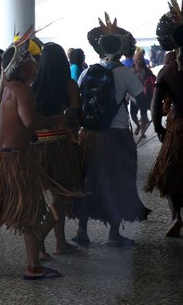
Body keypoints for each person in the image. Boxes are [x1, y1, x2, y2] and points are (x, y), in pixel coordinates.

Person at [0, 37, 72, 280]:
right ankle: (33, 266)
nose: (36, 68)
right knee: (29, 212)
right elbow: (30, 122)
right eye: (32, 64)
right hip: (15, 161)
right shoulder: (21, 90)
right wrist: (55, 120)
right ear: (21, 67)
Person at [73, 15, 149, 247]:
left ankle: (82, 231)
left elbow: (77, 101)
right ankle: (114, 235)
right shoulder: (124, 73)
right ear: (120, 50)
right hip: (116, 135)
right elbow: (142, 101)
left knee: (88, 179)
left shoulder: (88, 72)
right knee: (118, 180)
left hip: (89, 135)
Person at [31, 43, 82, 258]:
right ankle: (39, 238)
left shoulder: (35, 87)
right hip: (62, 147)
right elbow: (76, 116)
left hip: (39, 148)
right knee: (64, 197)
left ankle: (60, 242)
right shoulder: (69, 84)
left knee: (56, 196)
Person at [146, 0, 183, 237]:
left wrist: (158, 127)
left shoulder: (167, 71)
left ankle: (175, 216)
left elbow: (154, 104)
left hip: (178, 127)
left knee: (172, 173)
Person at [130, 50, 155, 135]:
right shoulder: (130, 71)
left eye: (140, 59)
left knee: (143, 115)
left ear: (142, 60)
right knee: (133, 114)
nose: (138, 61)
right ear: (134, 60)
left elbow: (153, 82)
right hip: (133, 96)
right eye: (137, 59)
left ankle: (143, 131)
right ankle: (138, 125)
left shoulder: (147, 71)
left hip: (144, 96)